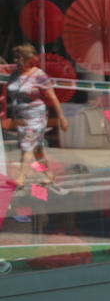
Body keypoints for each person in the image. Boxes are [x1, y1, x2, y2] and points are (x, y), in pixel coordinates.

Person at [6, 45, 68, 192]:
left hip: (36, 116)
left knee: (26, 146)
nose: (17, 61)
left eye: (20, 57)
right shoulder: (15, 75)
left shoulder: (39, 75)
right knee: (37, 149)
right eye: (16, 58)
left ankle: (21, 178)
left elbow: (52, 97)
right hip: (20, 117)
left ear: (28, 59)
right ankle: (48, 174)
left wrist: (61, 117)